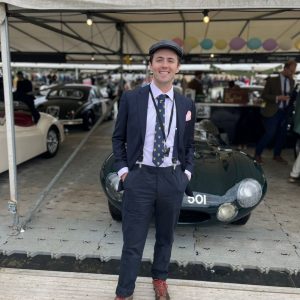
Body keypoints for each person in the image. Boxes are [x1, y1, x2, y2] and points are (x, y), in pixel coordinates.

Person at [112, 40, 195, 300]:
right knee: (133, 242)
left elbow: (189, 144)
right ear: (150, 65)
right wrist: (125, 170)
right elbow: (118, 138)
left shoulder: (185, 105)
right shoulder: (131, 98)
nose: (164, 65)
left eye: (171, 61)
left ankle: (160, 279)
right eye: (159, 59)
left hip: (172, 178)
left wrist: (186, 174)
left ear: (178, 68)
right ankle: (124, 292)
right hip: (140, 177)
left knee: (165, 238)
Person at [254, 60, 297, 164]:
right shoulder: (272, 80)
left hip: (285, 112)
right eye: (291, 71)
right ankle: (257, 154)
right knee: (270, 133)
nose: (292, 73)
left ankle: (277, 155)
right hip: (272, 111)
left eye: (293, 72)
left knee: (282, 134)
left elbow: (291, 96)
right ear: (285, 68)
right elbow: (264, 96)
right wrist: (278, 97)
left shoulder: (292, 81)